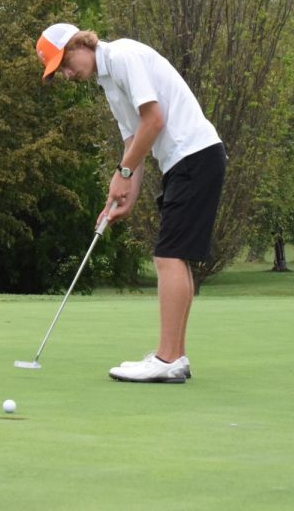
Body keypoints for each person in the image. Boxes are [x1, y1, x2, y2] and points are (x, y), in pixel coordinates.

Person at [36, 23, 226, 383]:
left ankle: (166, 357)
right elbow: (133, 142)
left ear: (81, 43)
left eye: (64, 62)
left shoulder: (122, 56)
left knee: (167, 255)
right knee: (175, 255)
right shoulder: (107, 82)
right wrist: (124, 195)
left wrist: (123, 172)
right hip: (183, 161)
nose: (65, 73)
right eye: (59, 70)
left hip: (195, 155)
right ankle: (176, 356)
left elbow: (154, 121)